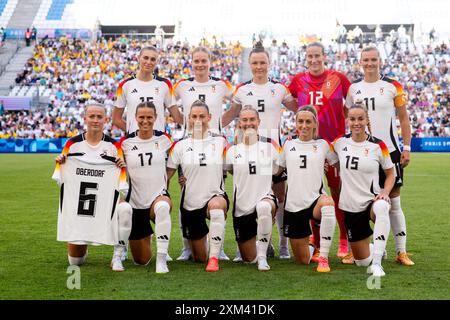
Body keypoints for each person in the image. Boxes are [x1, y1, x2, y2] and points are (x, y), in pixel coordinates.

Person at [222, 42, 298, 260]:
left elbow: (300, 110)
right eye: (255, 63)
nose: (259, 67)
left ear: (269, 63)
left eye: (262, 62)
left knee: (280, 197)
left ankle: (282, 246)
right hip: (246, 151)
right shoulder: (242, 90)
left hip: (274, 153)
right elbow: (230, 115)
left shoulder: (280, 89)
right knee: (243, 195)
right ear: (249, 64)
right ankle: (242, 245)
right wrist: (210, 129)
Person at [345, 45, 414, 266]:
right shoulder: (354, 88)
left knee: (393, 202)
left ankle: (401, 251)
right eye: (366, 60)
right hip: (362, 152)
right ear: (360, 62)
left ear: (380, 61)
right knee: (357, 201)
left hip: (390, 152)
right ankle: (361, 246)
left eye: (373, 59)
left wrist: (406, 147)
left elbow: (403, 119)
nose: (369, 63)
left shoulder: (393, 86)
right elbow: (349, 115)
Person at [288, 42, 351, 262]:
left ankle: (344, 240)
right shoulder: (298, 81)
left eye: (317, 56)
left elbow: (351, 105)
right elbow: (289, 101)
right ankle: (314, 239)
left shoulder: (339, 78)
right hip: (309, 146)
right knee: (311, 193)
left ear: (324, 56)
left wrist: (343, 120)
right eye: (310, 56)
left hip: (334, 147)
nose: (314, 60)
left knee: (338, 194)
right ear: (306, 58)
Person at [52, 102, 131, 269]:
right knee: (75, 261)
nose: (95, 120)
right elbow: (60, 177)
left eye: (99, 117)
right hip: (80, 208)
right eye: (92, 116)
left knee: (125, 209)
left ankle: (118, 254)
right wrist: (60, 163)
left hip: (106, 201)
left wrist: (122, 166)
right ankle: (84, 244)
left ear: (106, 120)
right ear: (85, 118)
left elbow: (123, 184)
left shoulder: (114, 146)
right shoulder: (72, 144)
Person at [173, 46, 233, 261]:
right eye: (196, 60)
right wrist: (184, 124)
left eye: (203, 61)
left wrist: (221, 122)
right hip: (190, 143)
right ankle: (186, 247)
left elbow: (238, 102)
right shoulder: (182, 86)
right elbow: (170, 105)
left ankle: (220, 247)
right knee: (186, 191)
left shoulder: (220, 85)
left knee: (217, 188)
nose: (200, 64)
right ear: (191, 62)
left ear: (209, 62)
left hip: (214, 143)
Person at [332, 104, 395, 277]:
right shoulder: (339, 143)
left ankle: (377, 264)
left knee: (382, 207)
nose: (356, 122)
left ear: (367, 120)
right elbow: (323, 155)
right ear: (348, 120)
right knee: (361, 262)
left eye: (360, 118)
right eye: (352, 119)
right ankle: (376, 250)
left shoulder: (378, 145)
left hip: (371, 201)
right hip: (350, 206)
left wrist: (385, 193)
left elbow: (391, 173)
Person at [167, 100, 229, 272]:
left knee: (216, 208)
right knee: (199, 258)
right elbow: (167, 174)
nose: (198, 120)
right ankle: (210, 243)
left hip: (215, 196)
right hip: (191, 203)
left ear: (209, 117)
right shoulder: (179, 146)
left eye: (202, 116)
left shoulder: (221, 142)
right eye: (194, 116)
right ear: (188, 118)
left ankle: (215, 258)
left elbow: (233, 169)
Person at [278, 106, 337, 272]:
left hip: (315, 200)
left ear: (315, 124)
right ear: (296, 123)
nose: (304, 125)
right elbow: (276, 170)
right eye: (300, 121)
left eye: (308, 122)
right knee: (302, 261)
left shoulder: (324, 145)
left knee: (328, 204)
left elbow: (338, 164)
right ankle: (312, 247)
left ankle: (323, 257)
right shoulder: (288, 145)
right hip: (294, 205)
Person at [117, 102, 173, 273]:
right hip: (135, 202)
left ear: (156, 118)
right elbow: (114, 168)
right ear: (135, 118)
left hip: (157, 198)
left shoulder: (165, 140)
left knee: (163, 207)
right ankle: (132, 242)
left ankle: (162, 259)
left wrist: (174, 178)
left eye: (149, 117)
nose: (145, 121)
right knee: (141, 261)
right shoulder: (125, 143)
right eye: (142, 117)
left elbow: (176, 163)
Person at [225, 106, 279, 271]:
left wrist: (274, 207)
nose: (249, 123)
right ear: (239, 123)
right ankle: (260, 245)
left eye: (252, 120)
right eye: (245, 120)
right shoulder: (232, 151)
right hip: (242, 206)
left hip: (265, 199)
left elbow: (278, 171)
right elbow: (230, 170)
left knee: (263, 207)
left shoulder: (270, 147)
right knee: (249, 259)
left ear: (258, 122)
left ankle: (263, 257)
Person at [112, 46, 183, 135]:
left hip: (158, 143)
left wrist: (197, 122)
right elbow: (116, 119)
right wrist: (133, 133)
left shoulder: (165, 84)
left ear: (156, 62)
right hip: (135, 144)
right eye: (145, 58)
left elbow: (177, 116)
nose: (148, 62)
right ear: (138, 58)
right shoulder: (124, 85)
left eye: (153, 59)